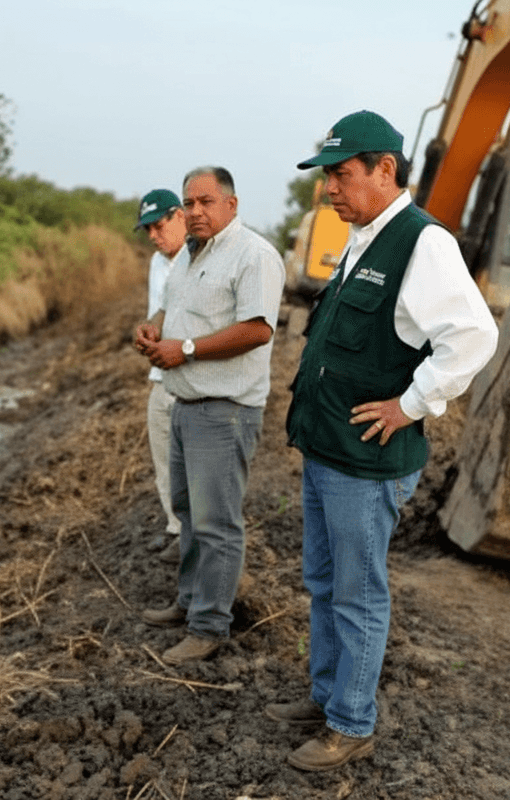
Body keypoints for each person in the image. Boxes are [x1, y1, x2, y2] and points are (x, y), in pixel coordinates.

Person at [269, 111, 498, 771]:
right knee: (322, 579)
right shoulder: (364, 236)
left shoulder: (422, 242)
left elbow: (474, 335)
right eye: (328, 177)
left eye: (342, 175)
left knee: (358, 592)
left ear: (385, 169)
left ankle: (350, 722)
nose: (331, 190)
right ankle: (325, 695)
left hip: (365, 466)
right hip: (328, 450)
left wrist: (411, 403)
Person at [133, 166, 284, 666]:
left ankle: (209, 626)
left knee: (217, 522)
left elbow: (258, 329)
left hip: (225, 411)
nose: (196, 211)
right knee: (190, 513)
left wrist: (188, 349)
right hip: (187, 404)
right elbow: (171, 310)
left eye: (206, 202)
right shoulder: (189, 257)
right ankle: (190, 602)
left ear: (231, 204)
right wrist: (153, 330)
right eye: (189, 203)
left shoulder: (254, 255)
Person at [134, 188, 187, 564]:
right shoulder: (157, 263)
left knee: (192, 463)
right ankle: (175, 529)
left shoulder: (200, 256)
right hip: (161, 373)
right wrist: (147, 332)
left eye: (159, 225)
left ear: (179, 216)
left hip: (193, 374)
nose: (154, 235)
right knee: (163, 456)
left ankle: (194, 536)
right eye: (147, 229)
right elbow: (158, 311)